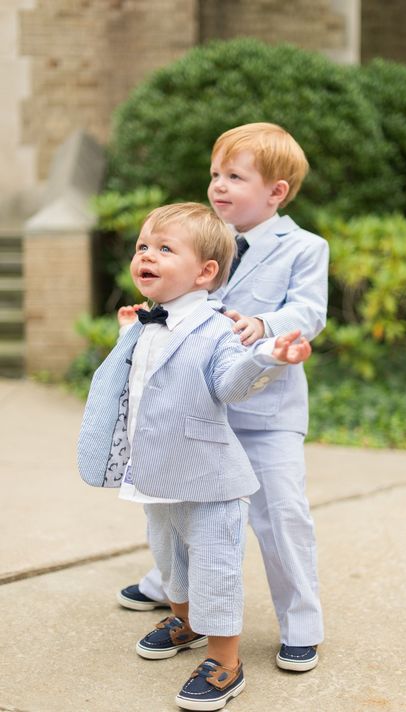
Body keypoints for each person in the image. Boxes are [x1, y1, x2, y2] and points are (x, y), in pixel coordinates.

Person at [77, 202, 311, 711]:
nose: (147, 255)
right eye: (143, 246)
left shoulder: (216, 329)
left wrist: (266, 356)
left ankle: (226, 662)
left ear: (205, 272)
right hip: (155, 471)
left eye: (164, 248)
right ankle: (184, 622)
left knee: (214, 566)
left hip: (209, 478)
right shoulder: (145, 324)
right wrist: (126, 334)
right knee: (169, 555)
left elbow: (229, 384)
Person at [118, 122, 329, 674]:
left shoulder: (303, 247)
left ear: (275, 192)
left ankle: (301, 623)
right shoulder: (198, 235)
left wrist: (262, 324)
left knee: (281, 515)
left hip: (266, 412)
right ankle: (169, 590)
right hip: (197, 412)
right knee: (177, 509)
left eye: (235, 176)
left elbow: (309, 313)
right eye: (215, 174)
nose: (219, 185)